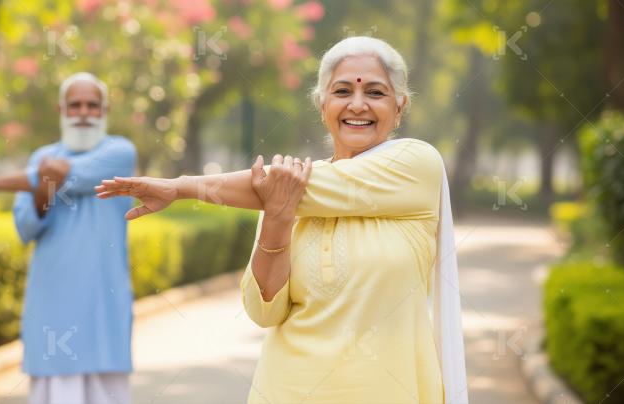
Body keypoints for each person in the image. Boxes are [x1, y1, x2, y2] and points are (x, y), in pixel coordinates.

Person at [96, 36, 469, 404]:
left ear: (400, 106)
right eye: (342, 92)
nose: (358, 105)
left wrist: (179, 187)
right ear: (321, 105)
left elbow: (286, 187)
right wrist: (277, 216)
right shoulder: (283, 194)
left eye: (375, 93)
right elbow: (264, 311)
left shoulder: (417, 165)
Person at [0, 72, 137, 404]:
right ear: (62, 112)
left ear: (104, 112)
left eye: (93, 105)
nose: (84, 113)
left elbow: (73, 174)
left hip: (104, 306)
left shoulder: (119, 153)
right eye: (75, 106)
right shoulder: (40, 158)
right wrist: (43, 187)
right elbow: (26, 228)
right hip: (53, 305)